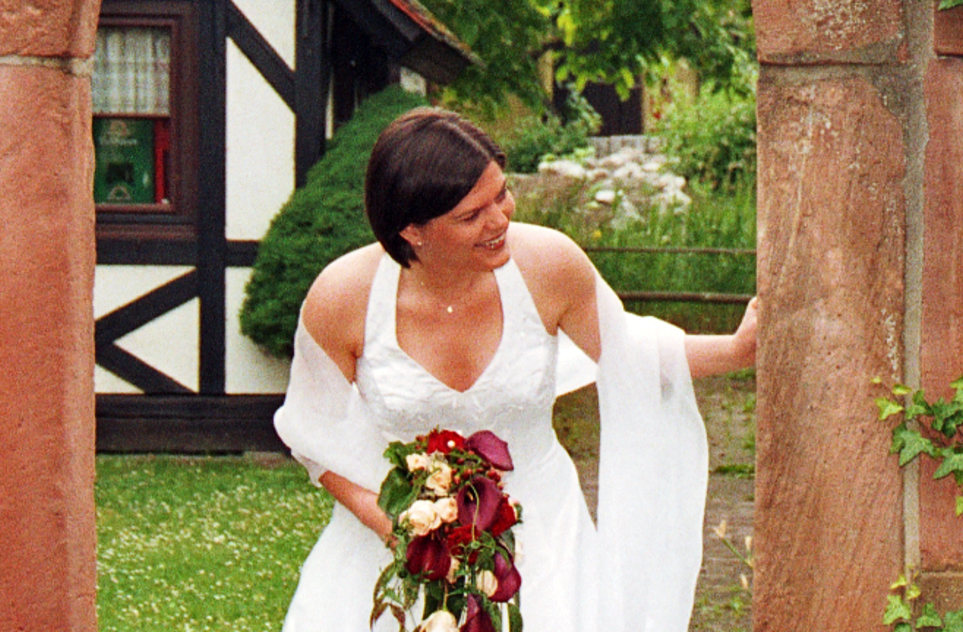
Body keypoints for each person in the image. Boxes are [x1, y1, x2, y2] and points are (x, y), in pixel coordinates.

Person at [273, 108, 757, 632]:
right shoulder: (343, 296)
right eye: (471, 215)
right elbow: (312, 437)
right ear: (413, 230)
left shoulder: (549, 265)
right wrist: (394, 526)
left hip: (546, 544)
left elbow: (633, 351)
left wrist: (736, 350)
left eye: (501, 194)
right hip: (398, 547)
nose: (500, 220)